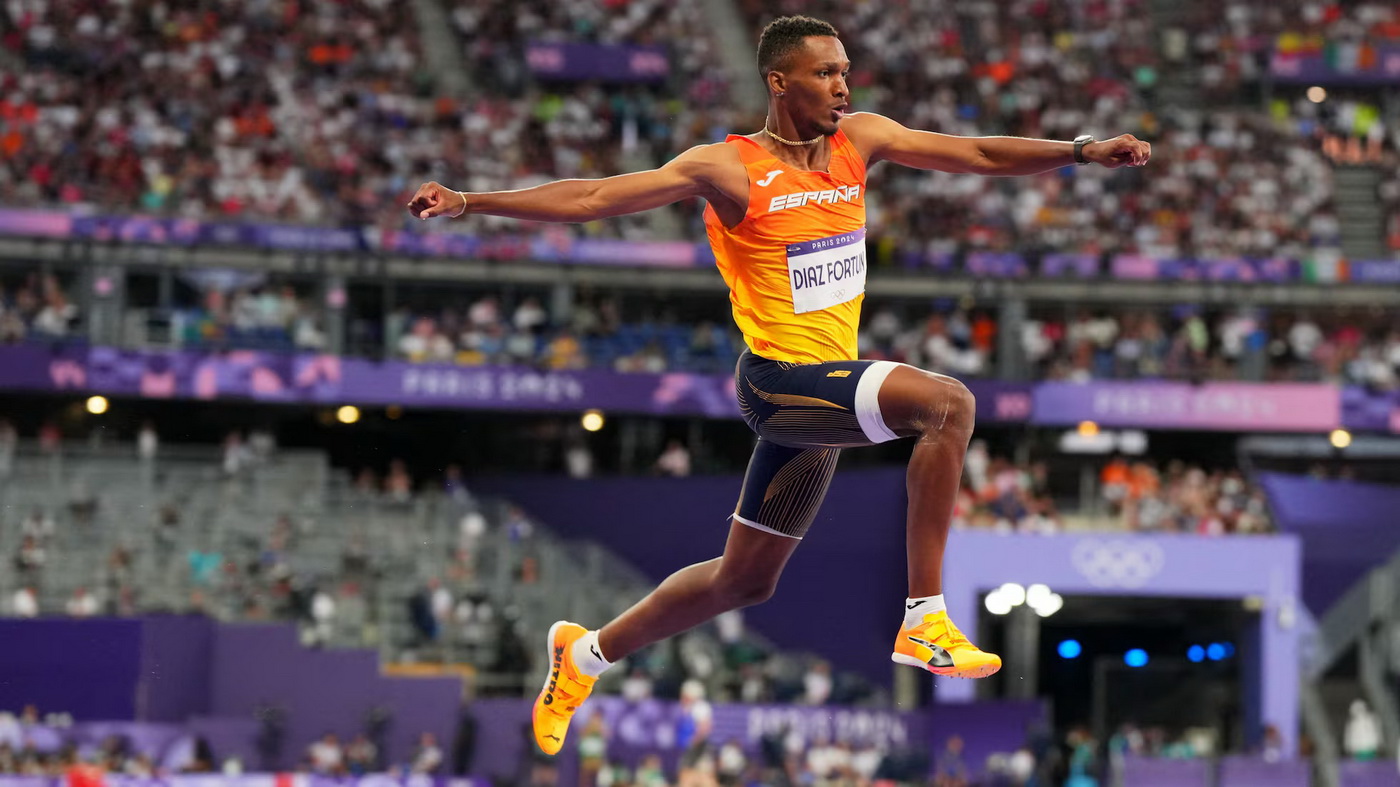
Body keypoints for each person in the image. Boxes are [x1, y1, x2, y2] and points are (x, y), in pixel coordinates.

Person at [407, 15, 1150, 756]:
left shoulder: (860, 139)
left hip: (822, 394)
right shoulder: (727, 167)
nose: (842, 86)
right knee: (948, 405)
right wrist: (472, 202)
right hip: (777, 384)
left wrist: (1080, 151)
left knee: (743, 582)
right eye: (825, 73)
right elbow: (593, 197)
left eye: (845, 71)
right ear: (779, 81)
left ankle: (584, 655)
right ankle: (924, 615)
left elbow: (978, 152)